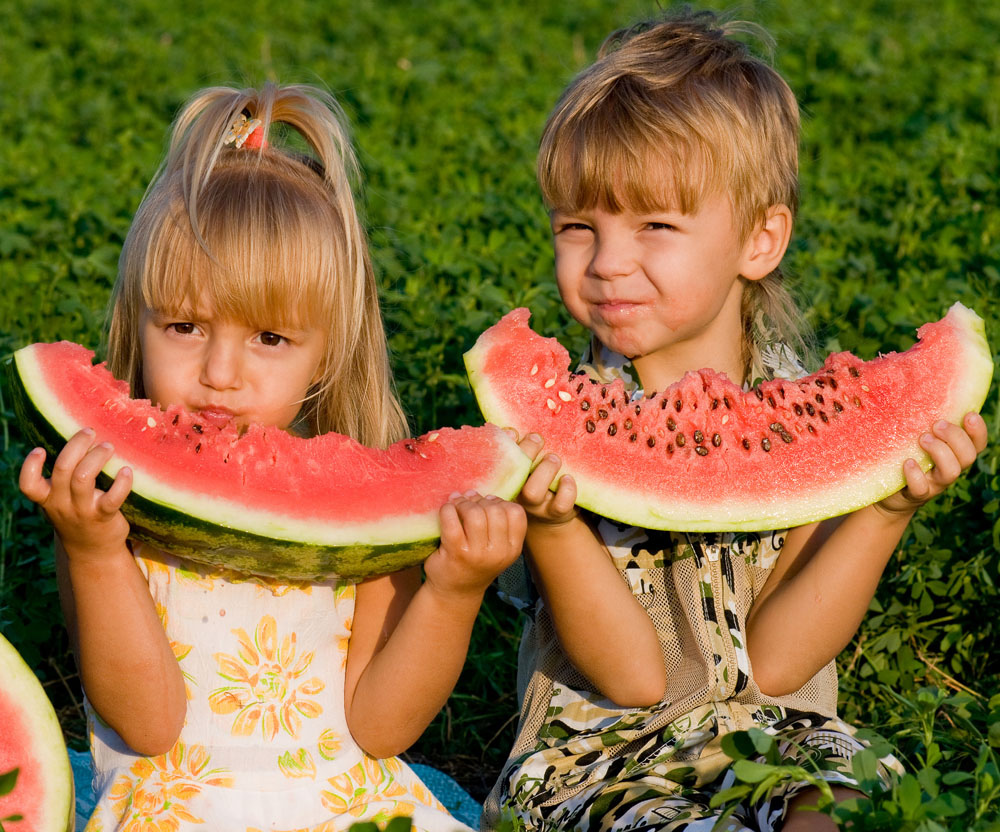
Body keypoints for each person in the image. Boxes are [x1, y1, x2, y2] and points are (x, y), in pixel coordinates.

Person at [482, 11, 988, 832]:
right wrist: (554, 522)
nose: (607, 261)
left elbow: (784, 660)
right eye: (578, 226)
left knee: (838, 812)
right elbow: (634, 679)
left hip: (786, 743)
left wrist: (888, 507)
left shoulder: (805, 413)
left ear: (760, 239)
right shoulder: (556, 434)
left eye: (655, 224)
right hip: (606, 763)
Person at [19, 82, 526, 831]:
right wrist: (93, 553)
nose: (221, 373)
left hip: (342, 809)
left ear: (326, 356)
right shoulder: (105, 510)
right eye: (185, 327)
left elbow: (382, 727)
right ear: (141, 321)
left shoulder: (363, 521)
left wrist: (454, 593)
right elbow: (149, 724)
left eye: (270, 339)